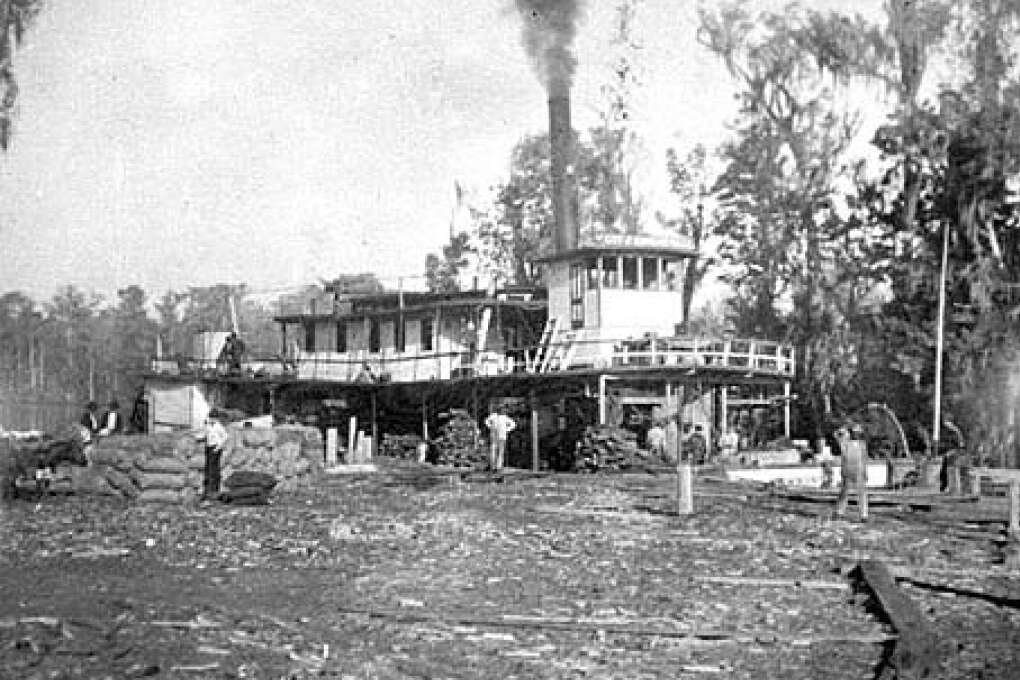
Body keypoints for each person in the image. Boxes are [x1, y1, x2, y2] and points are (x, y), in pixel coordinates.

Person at [196, 408, 229, 501]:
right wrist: (198, 438)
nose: (211, 419)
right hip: (208, 447)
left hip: (216, 448)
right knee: (207, 467)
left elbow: (225, 437)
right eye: (211, 417)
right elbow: (205, 434)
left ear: (216, 418)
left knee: (214, 468)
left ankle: (214, 489)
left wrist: (218, 447)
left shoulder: (219, 427)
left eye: (213, 418)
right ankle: (207, 489)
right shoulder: (208, 426)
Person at [484, 406, 516, 471]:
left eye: (502, 410)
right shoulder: (493, 416)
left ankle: (499, 466)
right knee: (493, 450)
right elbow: (486, 421)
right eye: (500, 410)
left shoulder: (506, 418)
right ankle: (493, 466)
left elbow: (513, 424)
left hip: (502, 436)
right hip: (494, 436)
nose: (502, 411)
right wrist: (491, 427)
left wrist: (507, 430)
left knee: (500, 452)